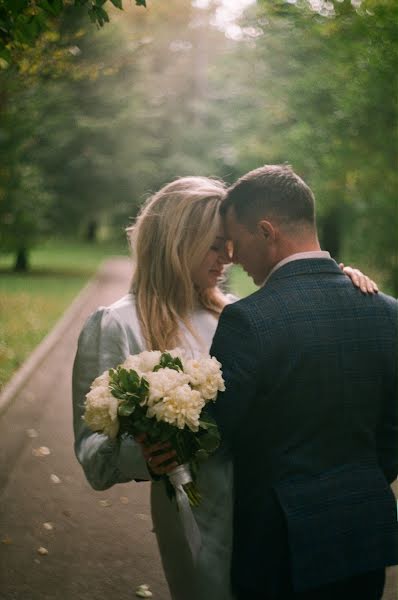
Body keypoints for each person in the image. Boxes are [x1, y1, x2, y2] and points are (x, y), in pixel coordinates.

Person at [72, 175, 377, 600]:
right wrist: (143, 453)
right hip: (195, 516)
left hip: (265, 509)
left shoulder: (238, 314)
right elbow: (93, 455)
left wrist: (336, 287)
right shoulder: (116, 324)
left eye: (230, 244)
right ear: (178, 242)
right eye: (216, 244)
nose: (228, 257)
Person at [209, 164, 398, 600]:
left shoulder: (247, 321)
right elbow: (392, 431)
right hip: (361, 536)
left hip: (278, 548)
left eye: (235, 242)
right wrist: (363, 480)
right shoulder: (387, 312)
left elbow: (217, 434)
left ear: (266, 231)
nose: (232, 257)